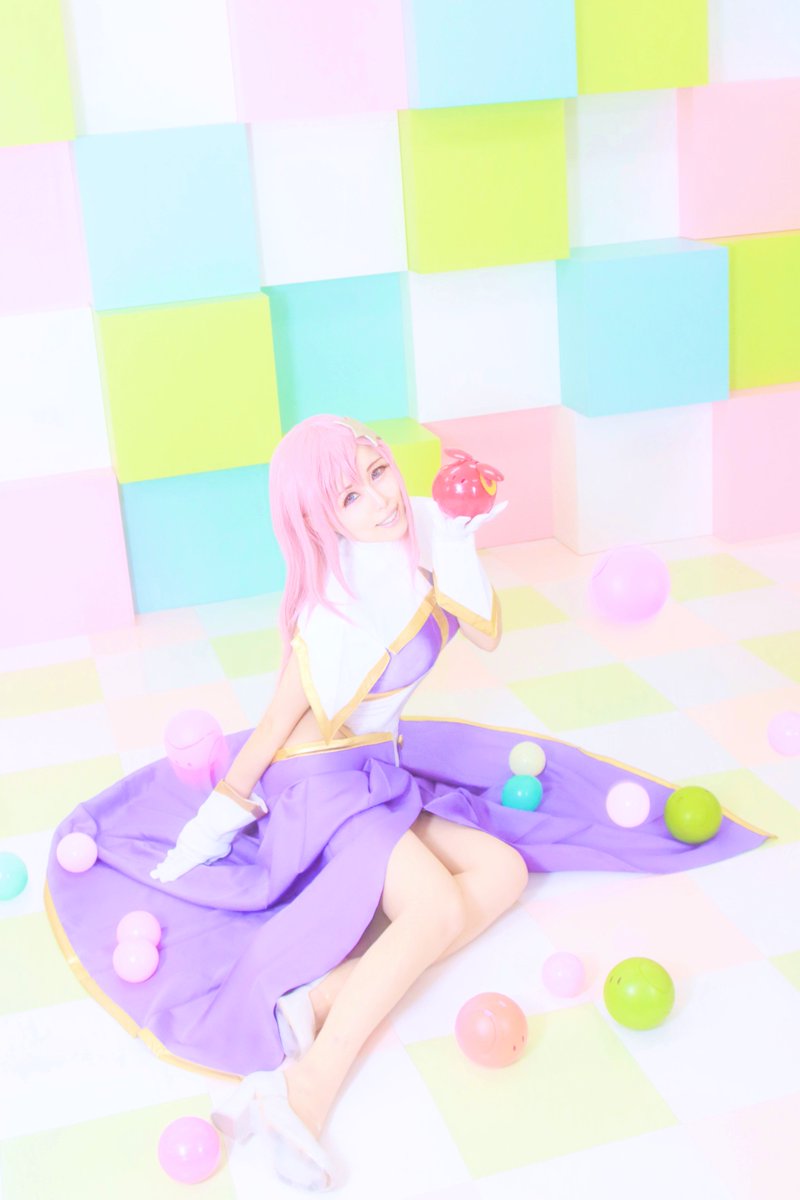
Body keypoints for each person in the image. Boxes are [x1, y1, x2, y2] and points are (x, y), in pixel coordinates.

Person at [45, 414, 768, 1192]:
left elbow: (483, 630)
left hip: (376, 770)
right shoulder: (329, 611)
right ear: (322, 520)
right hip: (319, 786)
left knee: (501, 871)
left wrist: (456, 538)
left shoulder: (417, 537)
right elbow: (272, 731)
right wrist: (207, 831)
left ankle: (320, 998)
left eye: (378, 471)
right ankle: (307, 1086)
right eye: (350, 497)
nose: (380, 499)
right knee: (433, 906)